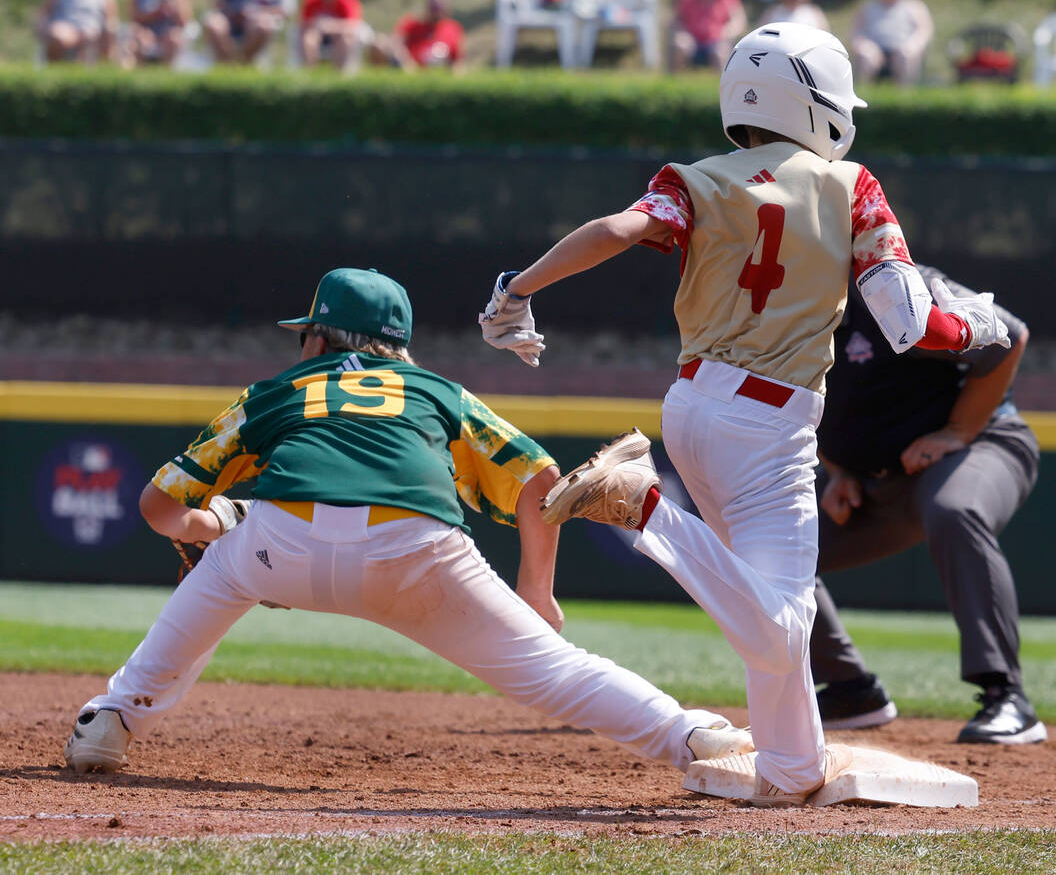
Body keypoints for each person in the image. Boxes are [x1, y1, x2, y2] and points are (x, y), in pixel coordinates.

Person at [477, 24, 1010, 805]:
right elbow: (908, 322)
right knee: (785, 623)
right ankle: (644, 508)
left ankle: (792, 766)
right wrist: (979, 328)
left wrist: (517, 288)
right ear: (818, 101)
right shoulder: (849, 183)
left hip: (693, 404)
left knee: (769, 611)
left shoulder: (695, 179)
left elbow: (619, 230)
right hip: (771, 421)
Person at [64, 268, 754, 780]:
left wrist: (213, 527)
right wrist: (537, 594)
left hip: (283, 540)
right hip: (414, 550)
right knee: (554, 673)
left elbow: (157, 508)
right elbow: (542, 482)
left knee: (225, 568)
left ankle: (112, 720)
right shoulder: (438, 391)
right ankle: (694, 737)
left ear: (316, 337)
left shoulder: (274, 392)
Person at [808, 264, 1045, 745]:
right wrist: (839, 469)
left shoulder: (889, 287)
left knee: (955, 510)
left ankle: (1008, 697)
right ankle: (851, 690)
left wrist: (958, 431)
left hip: (978, 445)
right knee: (764, 544)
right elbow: (803, 405)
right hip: (875, 484)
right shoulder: (778, 311)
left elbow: (1008, 337)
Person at [849, 0, 932, 85]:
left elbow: (924, 31)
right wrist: (863, 45)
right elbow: (855, 33)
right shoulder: (867, 6)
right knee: (865, 56)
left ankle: (906, 98)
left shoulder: (914, 6)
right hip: (875, 50)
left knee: (906, 55)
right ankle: (863, 96)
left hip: (903, 49)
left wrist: (912, 45)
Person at [203, 0, 297, 64]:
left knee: (263, 25)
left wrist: (255, 12)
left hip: (258, 22)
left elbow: (286, 11)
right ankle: (227, 64)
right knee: (213, 23)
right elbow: (218, 1)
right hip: (230, 17)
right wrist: (233, 13)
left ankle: (244, 64)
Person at [670, 0, 747, 72]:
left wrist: (727, 32)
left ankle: (721, 85)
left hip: (717, 41)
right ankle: (675, 83)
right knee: (680, 45)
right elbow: (676, 20)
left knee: (721, 51)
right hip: (692, 41)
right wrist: (683, 33)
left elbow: (739, 22)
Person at [36, 0, 119, 64]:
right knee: (57, 35)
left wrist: (108, 29)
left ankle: (105, 68)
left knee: (107, 32)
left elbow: (111, 19)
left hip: (93, 31)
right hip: (65, 29)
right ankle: (54, 69)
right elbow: (43, 13)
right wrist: (43, 26)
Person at [368, 0, 464, 69]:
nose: (436, 11)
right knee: (379, 43)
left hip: (436, 71)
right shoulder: (413, 23)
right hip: (407, 68)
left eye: (439, 7)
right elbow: (395, 40)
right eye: (434, 7)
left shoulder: (452, 28)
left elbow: (456, 61)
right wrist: (406, 61)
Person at [298, 0, 364, 71]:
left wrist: (330, 26)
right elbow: (303, 23)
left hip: (338, 37)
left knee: (346, 40)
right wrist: (316, 26)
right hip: (317, 36)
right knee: (309, 39)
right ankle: (310, 73)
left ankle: (338, 75)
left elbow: (353, 25)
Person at [127, 0, 193, 67]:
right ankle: (141, 71)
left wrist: (174, 9)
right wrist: (156, 13)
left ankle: (166, 72)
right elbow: (134, 18)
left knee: (174, 39)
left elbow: (184, 20)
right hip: (146, 32)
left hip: (168, 33)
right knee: (139, 39)